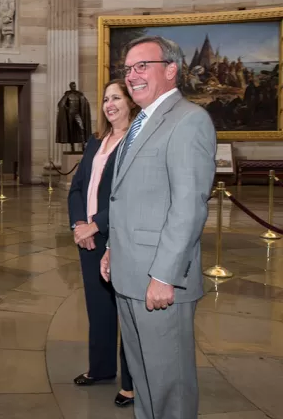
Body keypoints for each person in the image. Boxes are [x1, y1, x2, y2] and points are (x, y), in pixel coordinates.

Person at [101, 36, 216, 419]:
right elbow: (131, 200)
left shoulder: (189, 120)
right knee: (146, 380)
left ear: (170, 69)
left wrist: (165, 275)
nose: (131, 76)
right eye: (128, 68)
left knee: (170, 386)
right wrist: (113, 250)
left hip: (159, 281)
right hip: (129, 275)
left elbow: (188, 206)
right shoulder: (142, 123)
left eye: (141, 66)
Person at [68, 78, 137, 407]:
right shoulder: (96, 142)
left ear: (131, 102)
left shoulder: (136, 142)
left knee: (128, 311)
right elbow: (77, 187)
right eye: (106, 99)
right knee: (99, 307)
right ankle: (101, 368)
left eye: (117, 98)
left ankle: (132, 382)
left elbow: (130, 197)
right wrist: (80, 224)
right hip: (88, 237)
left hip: (120, 236)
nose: (110, 104)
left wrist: (96, 224)